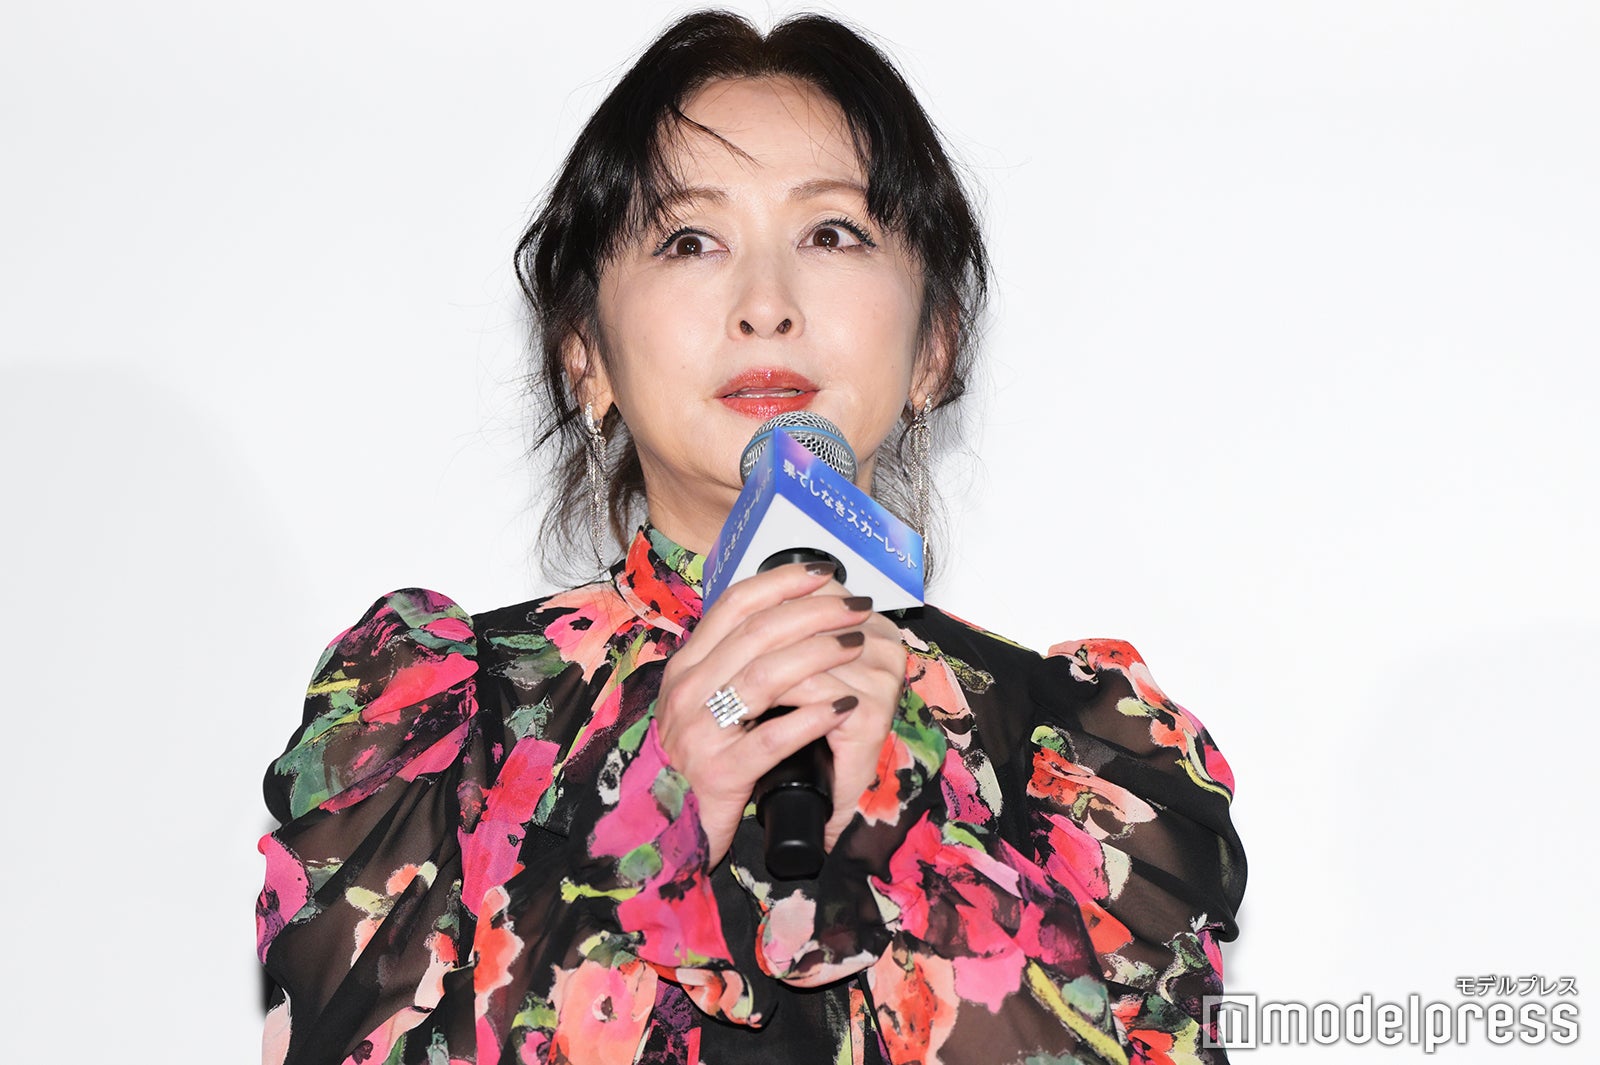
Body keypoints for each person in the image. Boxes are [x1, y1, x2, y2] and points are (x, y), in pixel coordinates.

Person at [256, 11, 1246, 1064]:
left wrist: (907, 824)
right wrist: (657, 818)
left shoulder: (1080, 757)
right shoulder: (437, 722)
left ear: (934, 348)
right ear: (584, 352)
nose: (766, 305)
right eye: (689, 240)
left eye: (832, 234)